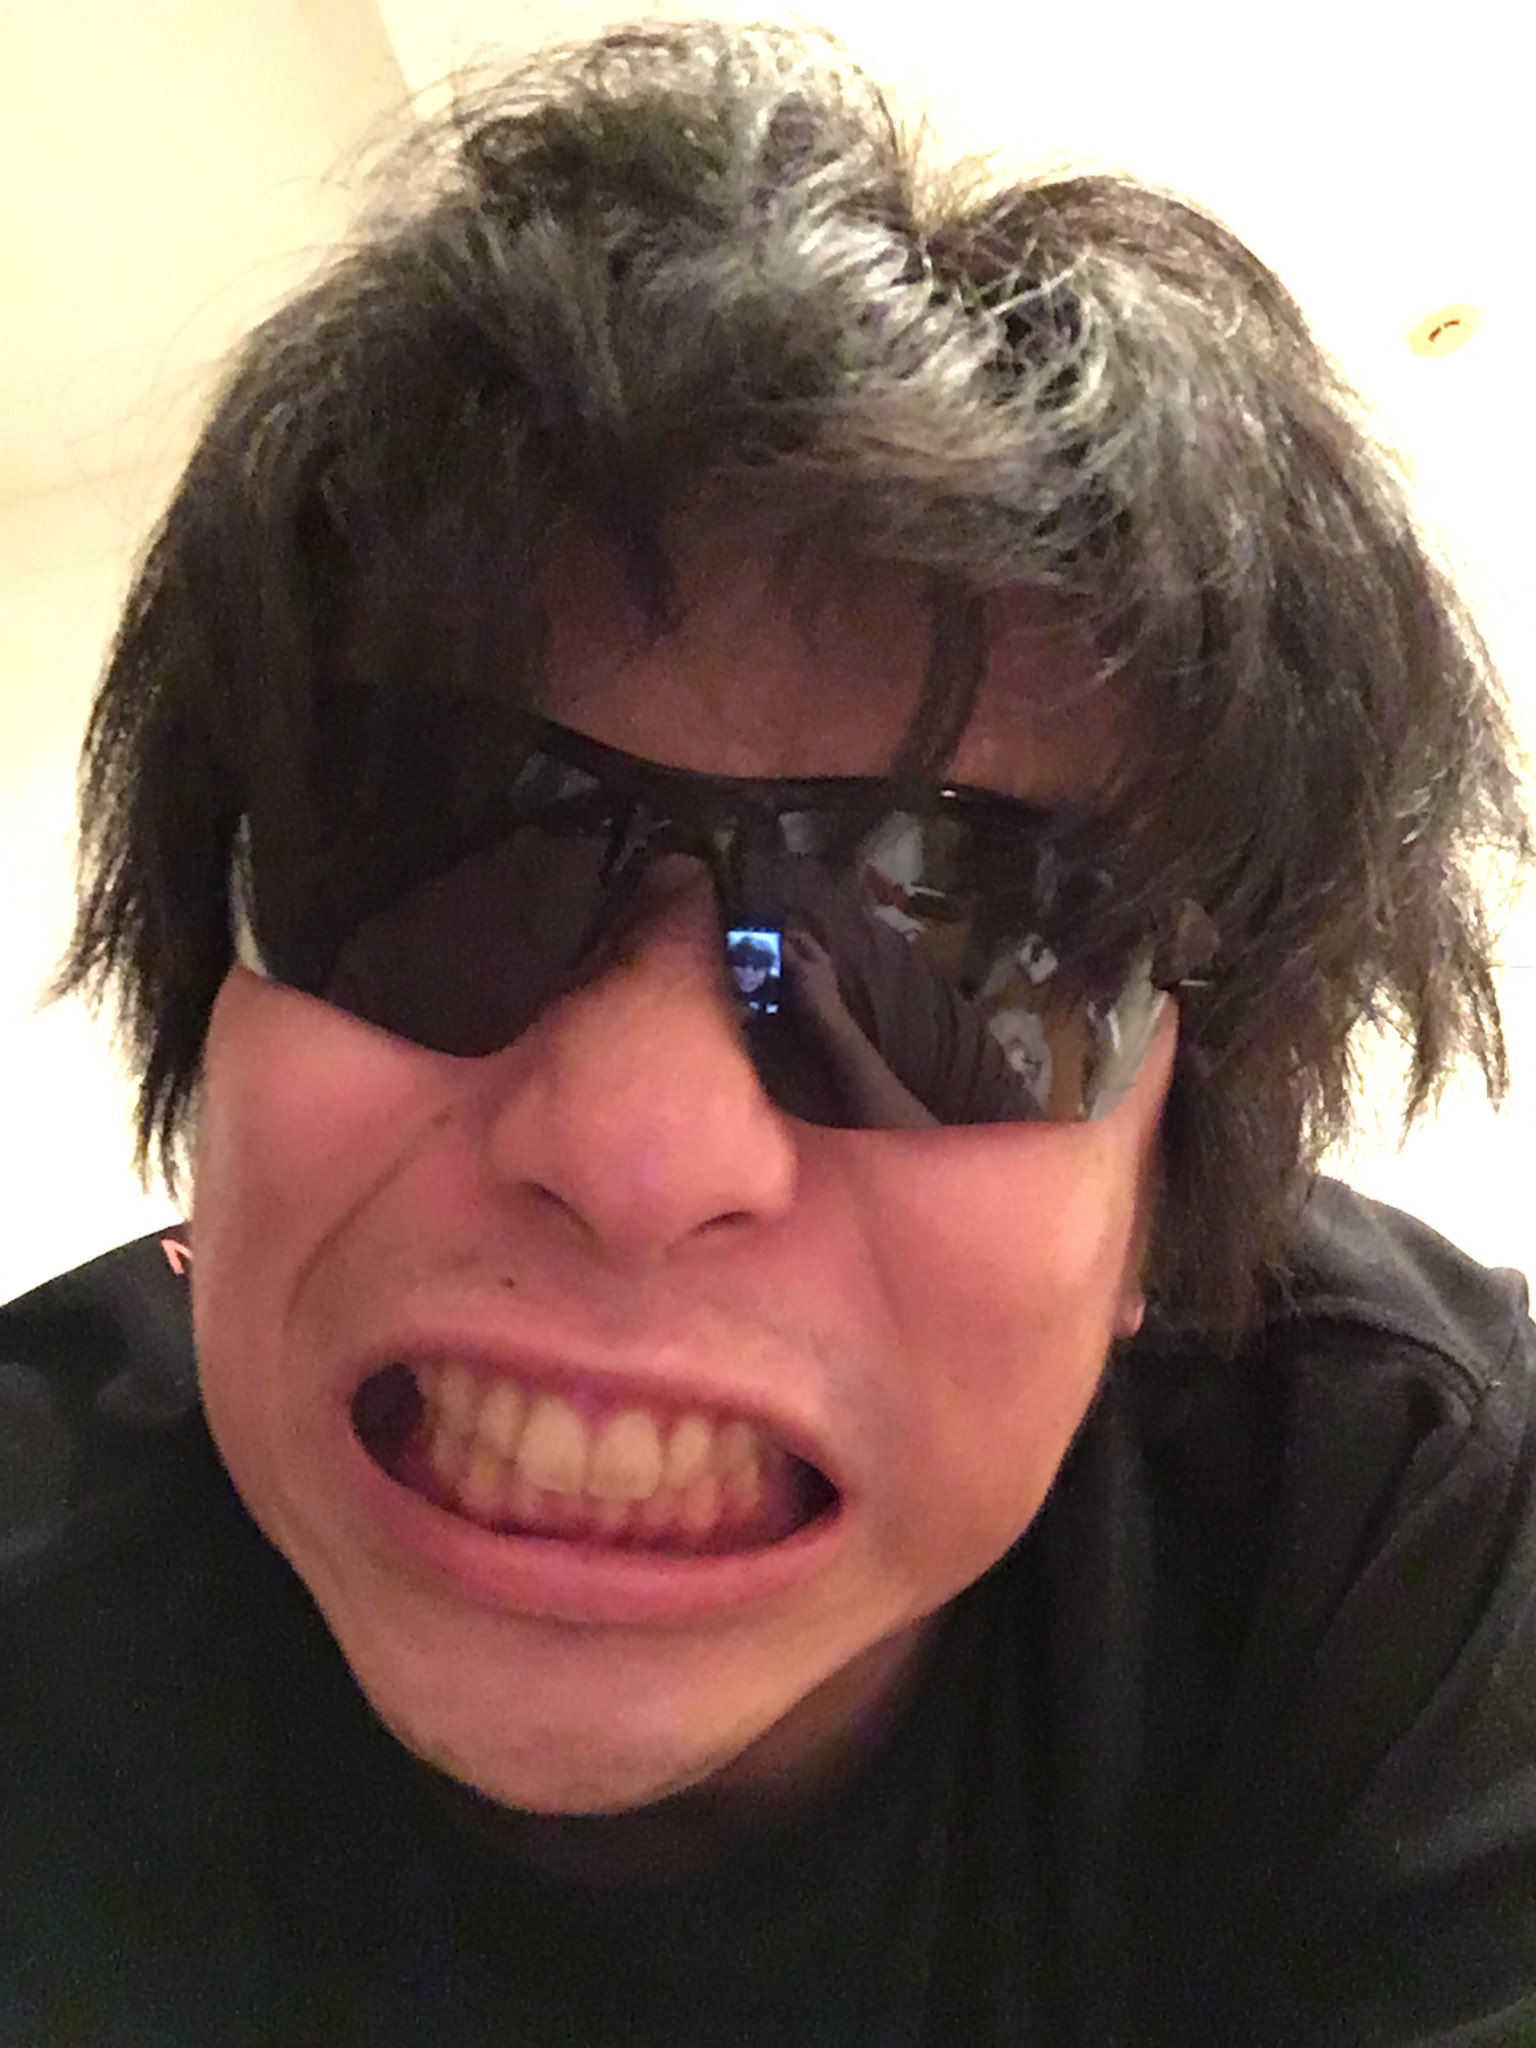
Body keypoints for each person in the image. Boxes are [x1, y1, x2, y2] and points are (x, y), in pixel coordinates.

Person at [3, 20, 1533, 2045]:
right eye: (439, 858)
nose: (639, 1149)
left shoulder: (1405, 1541)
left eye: (956, 946)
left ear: (1162, 1214)